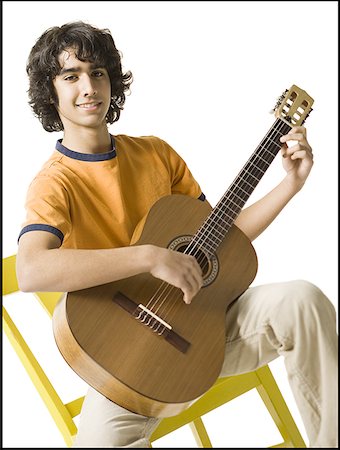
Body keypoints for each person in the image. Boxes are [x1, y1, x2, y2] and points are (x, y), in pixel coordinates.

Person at [16, 21, 337, 448]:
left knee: (303, 301)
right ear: (50, 93)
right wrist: (148, 257)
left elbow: (218, 237)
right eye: (70, 76)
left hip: (202, 334)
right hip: (122, 361)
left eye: (97, 73)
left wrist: (289, 186)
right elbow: (31, 269)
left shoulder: (155, 153)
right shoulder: (54, 183)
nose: (88, 87)